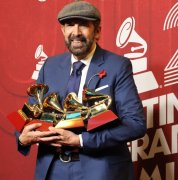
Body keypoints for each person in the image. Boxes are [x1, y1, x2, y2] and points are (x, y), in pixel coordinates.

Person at [16, 1, 146, 180]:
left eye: (83, 24)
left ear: (97, 31)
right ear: (63, 31)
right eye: (70, 25)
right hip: (52, 171)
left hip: (99, 170)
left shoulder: (118, 66)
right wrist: (22, 137)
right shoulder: (49, 66)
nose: (76, 32)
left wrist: (81, 141)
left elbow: (135, 124)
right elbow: (28, 115)